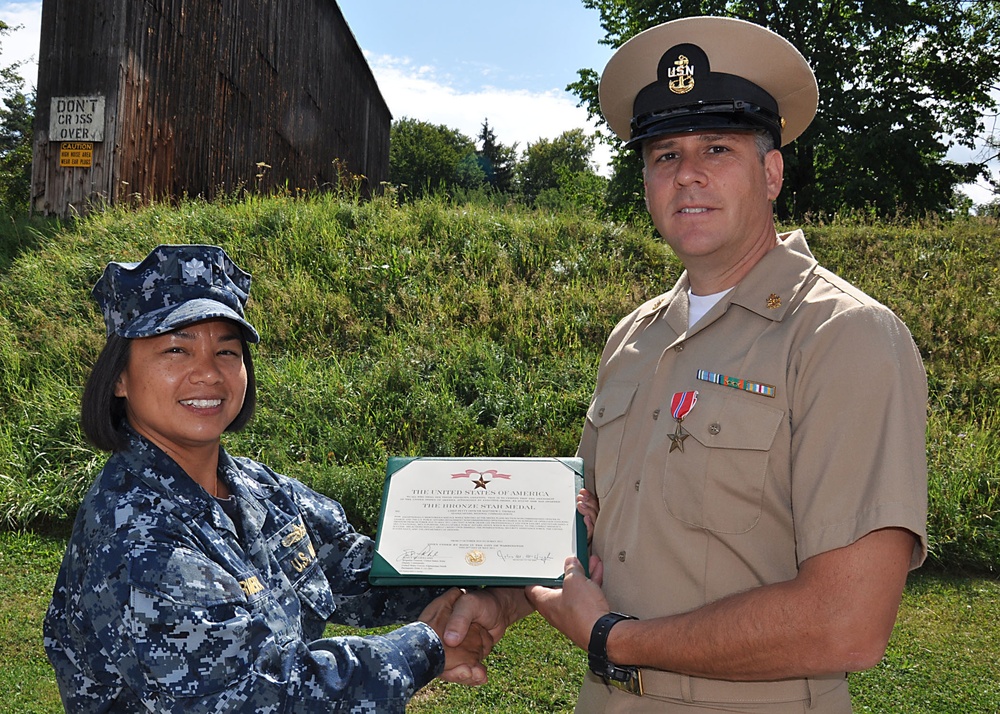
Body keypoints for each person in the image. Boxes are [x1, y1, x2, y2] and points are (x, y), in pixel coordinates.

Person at [447, 15, 928, 713]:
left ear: (771, 172)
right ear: (646, 180)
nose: (689, 174)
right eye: (665, 155)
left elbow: (847, 624)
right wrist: (499, 604)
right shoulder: (635, 336)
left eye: (717, 148)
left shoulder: (842, 336)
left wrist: (617, 639)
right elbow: (594, 535)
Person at [43, 244, 492, 713]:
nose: (207, 373)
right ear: (119, 378)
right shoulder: (135, 537)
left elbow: (355, 570)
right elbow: (267, 695)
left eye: (226, 351)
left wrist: (491, 564)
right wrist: (429, 647)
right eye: (176, 349)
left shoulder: (254, 487)